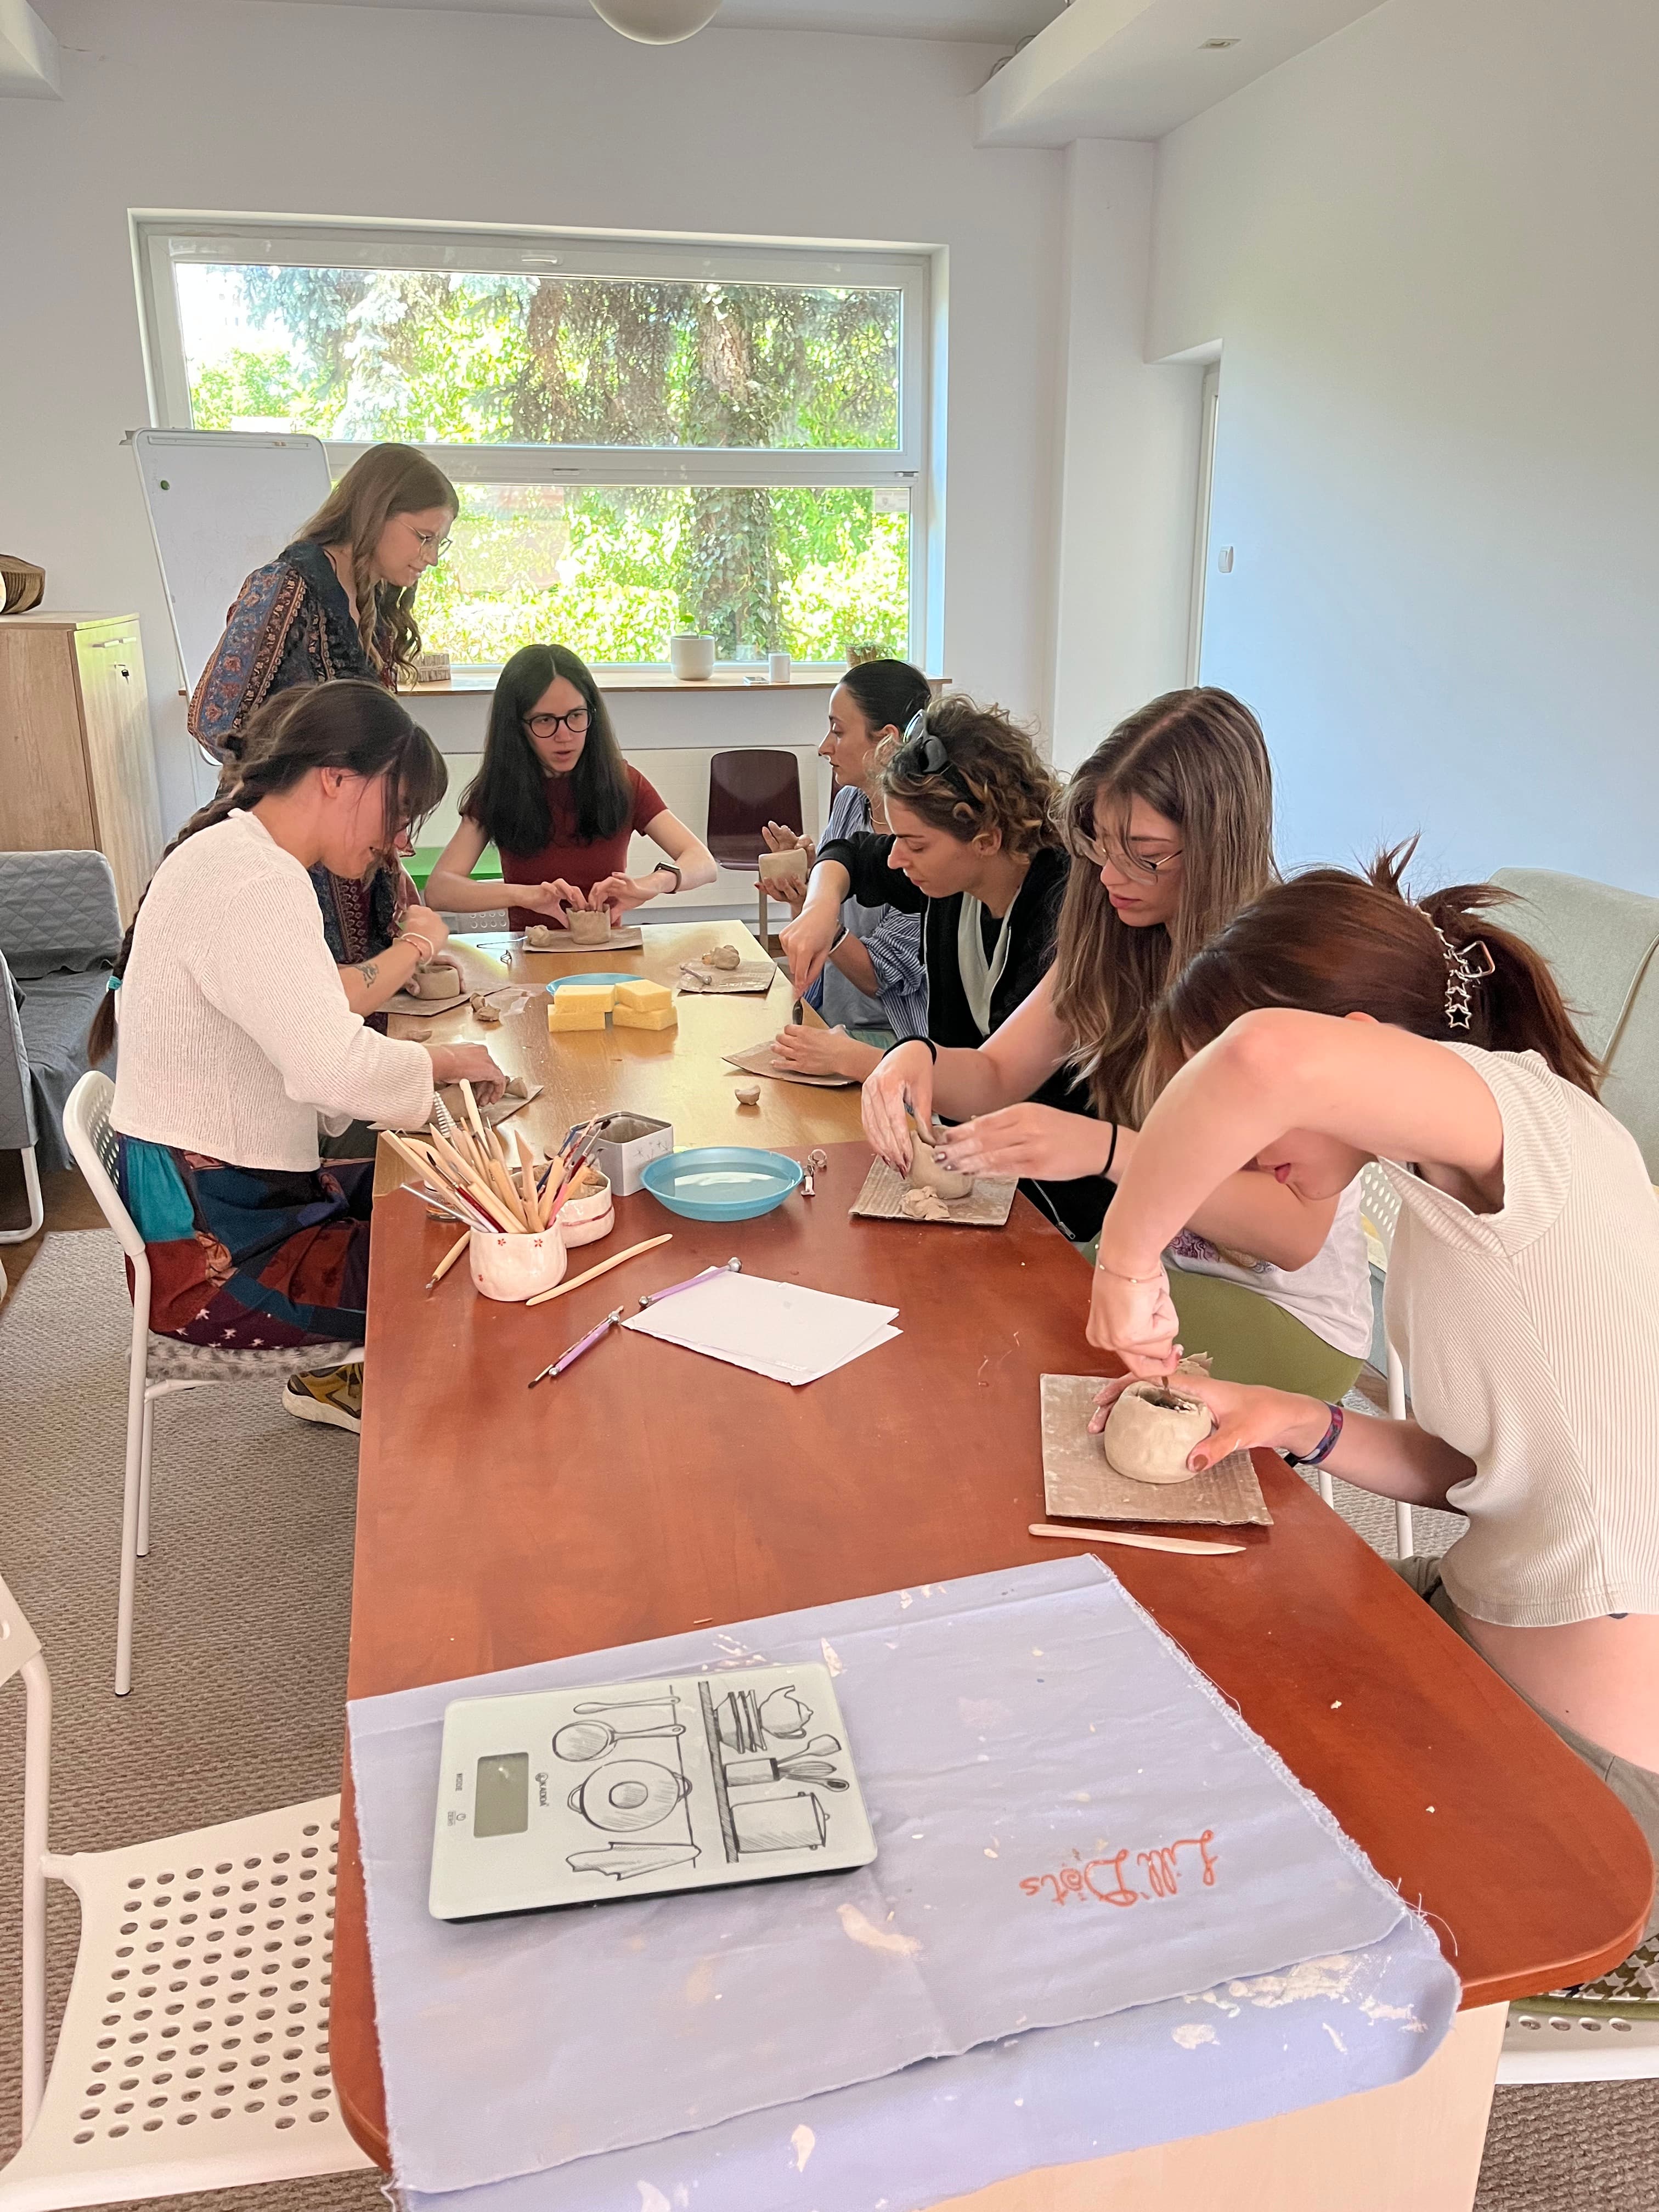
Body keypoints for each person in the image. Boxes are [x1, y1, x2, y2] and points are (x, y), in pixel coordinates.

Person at [1085, 849, 1658, 1927]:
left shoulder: (1525, 1132)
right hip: (1473, 1627)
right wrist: (1301, 1419)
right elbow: (1480, 1474)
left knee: (1186, 1873)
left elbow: (1262, 1061)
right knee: (1172, 1653)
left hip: (1588, 1785)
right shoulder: (1450, 1183)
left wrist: (1127, 1263)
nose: (1236, 1160)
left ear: (1350, 1049)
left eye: (1232, 1120)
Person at [860, 689, 1373, 1396]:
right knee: (958, 1321)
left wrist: (1102, 1150)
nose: (1110, 877)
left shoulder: (1290, 976)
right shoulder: (1118, 932)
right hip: (1145, 1257)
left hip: (1280, 1306)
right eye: (1101, 847)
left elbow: (1292, 1235)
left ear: (1220, 842)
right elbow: (996, 1072)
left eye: (1148, 857)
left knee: (1013, 1368)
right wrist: (910, 1058)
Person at [93, 683, 503, 1435]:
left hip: (227, 1204)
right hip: (215, 1259)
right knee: (486, 1258)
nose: (397, 841)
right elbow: (332, 1071)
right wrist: (433, 1071)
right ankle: (457, 1488)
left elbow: (313, 1034)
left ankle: (410, 1420)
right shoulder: (252, 880)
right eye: (399, 812)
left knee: (438, 1203)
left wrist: (435, 1070)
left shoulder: (239, 857)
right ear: (340, 779)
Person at [781, 693, 1102, 1239]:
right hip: (976, 1173)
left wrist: (887, 1063)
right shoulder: (952, 877)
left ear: (986, 839)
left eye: (914, 844)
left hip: (1056, 1207)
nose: (896, 859)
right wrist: (819, 909)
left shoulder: (1063, 912)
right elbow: (850, 857)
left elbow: (999, 1082)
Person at [188, 443, 458, 1014]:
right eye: (423, 536)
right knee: (312, 1018)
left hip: (346, 850)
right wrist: (308, 785)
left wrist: (383, 846)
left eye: (441, 542)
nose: (431, 558)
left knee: (359, 1018)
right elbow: (213, 716)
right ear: (374, 512)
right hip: (291, 847)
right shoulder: (286, 586)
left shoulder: (375, 603)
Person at [426, 643, 716, 929]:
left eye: (576, 716)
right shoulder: (498, 791)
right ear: (517, 727)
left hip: (607, 956)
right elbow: (440, 890)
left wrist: (653, 884)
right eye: (545, 721)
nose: (564, 735)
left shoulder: (623, 782)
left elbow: (703, 863)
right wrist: (523, 894)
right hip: (530, 957)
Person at [758, 659, 930, 1068]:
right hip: (834, 1017)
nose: (824, 746)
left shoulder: (930, 844)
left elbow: (878, 978)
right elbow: (840, 876)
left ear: (887, 742)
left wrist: (825, 922)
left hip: (893, 1041)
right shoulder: (852, 801)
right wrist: (807, 887)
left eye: (838, 730)